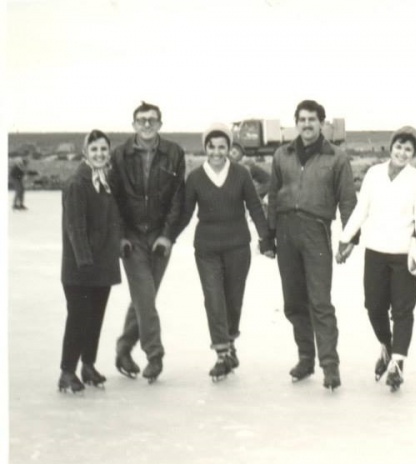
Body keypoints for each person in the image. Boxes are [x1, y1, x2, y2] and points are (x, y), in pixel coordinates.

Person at [264, 99, 357, 390]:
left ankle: (330, 366)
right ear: (296, 123)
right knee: (293, 301)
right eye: (302, 119)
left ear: (322, 123)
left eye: (312, 120)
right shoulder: (282, 154)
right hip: (286, 231)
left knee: (320, 301)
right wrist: (268, 236)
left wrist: (350, 238)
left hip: (316, 230)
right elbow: (273, 195)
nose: (306, 124)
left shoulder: (337, 157)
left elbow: (348, 200)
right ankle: (306, 358)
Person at [336, 126, 416, 391]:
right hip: (375, 251)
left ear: (414, 153)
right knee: (374, 307)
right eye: (399, 147)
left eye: (408, 149)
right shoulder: (374, 174)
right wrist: (345, 238)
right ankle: (387, 347)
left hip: (405, 255)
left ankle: (398, 363)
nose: (402, 152)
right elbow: (361, 209)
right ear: (391, 148)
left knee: (403, 310)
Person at [176, 124, 270, 381]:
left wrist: (266, 239)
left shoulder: (240, 174)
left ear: (229, 149)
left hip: (238, 247)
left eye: (222, 147)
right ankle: (221, 353)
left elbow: (254, 206)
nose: (216, 152)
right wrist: (167, 237)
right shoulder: (195, 178)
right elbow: (184, 213)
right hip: (206, 249)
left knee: (233, 300)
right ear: (205, 148)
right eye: (211, 147)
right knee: (213, 299)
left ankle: (229, 344)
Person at [108, 101, 186, 383]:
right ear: (133, 125)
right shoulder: (119, 155)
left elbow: (178, 198)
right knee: (144, 295)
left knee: (145, 297)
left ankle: (123, 347)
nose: (147, 124)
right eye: (141, 120)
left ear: (160, 124)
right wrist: (120, 237)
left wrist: (167, 235)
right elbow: (113, 199)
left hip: (159, 236)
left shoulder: (174, 153)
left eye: (152, 120)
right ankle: (154, 354)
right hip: (132, 238)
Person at [58, 130, 122, 393]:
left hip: (103, 265)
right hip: (81, 268)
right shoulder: (77, 183)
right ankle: (67, 372)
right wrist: (84, 261)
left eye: (103, 150)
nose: (99, 154)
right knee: (79, 318)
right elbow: (75, 227)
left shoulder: (104, 180)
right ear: (85, 153)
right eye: (94, 150)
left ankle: (88, 365)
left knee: (95, 318)